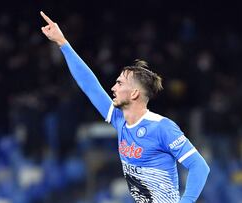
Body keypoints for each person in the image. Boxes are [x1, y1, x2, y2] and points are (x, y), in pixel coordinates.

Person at [40, 11, 210, 203]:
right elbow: (90, 86)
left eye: (120, 84)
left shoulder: (162, 127)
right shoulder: (120, 120)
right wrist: (63, 43)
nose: (113, 87)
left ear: (135, 93)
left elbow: (199, 166)